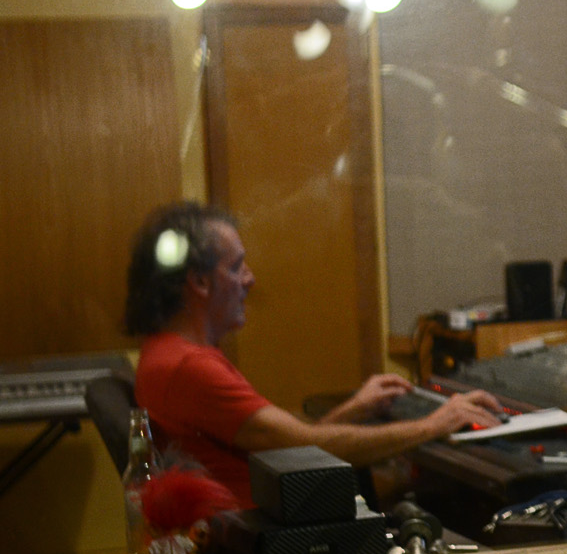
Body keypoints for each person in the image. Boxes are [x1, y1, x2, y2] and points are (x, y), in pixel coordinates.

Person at [124, 202, 502, 509]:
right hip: (265, 544)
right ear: (200, 282)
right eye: (237, 267)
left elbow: (286, 447)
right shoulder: (190, 368)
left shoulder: (165, 352)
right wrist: (435, 424)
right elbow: (303, 448)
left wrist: (353, 409)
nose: (250, 280)